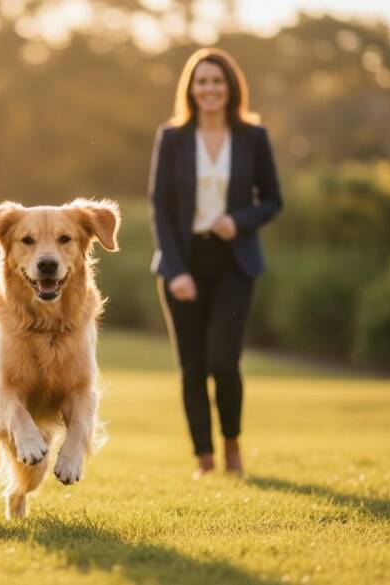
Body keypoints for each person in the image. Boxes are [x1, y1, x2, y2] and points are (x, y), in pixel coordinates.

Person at [148, 48, 283, 478]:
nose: (209, 89)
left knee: (223, 362)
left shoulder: (252, 138)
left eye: (217, 81)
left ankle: (232, 446)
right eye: (202, 81)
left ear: (231, 88)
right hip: (183, 261)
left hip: (234, 262)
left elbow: (274, 201)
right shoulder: (171, 138)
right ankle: (203, 459)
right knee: (191, 369)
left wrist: (238, 220)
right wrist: (176, 270)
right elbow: (160, 208)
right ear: (191, 88)